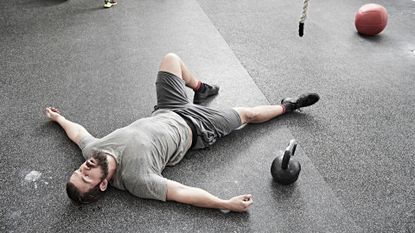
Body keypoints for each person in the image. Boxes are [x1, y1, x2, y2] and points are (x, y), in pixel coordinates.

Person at [45, 53, 319, 212]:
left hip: (166, 108)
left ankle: (201, 88)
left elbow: (76, 133)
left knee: (171, 58)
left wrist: (59, 118)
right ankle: (289, 106)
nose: (84, 167)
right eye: (86, 176)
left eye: (79, 170)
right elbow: (182, 193)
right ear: (103, 184)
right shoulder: (136, 180)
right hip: (198, 127)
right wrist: (225, 203)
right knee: (247, 115)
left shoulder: (93, 150)